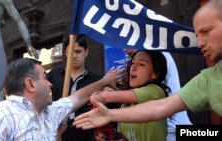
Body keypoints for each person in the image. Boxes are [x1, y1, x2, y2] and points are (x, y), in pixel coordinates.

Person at [73, 0, 222, 131]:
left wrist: (105, 94)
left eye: (206, 32)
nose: (200, 43)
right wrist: (110, 115)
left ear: (155, 72)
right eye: (197, 36)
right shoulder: (207, 79)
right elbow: (160, 107)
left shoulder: (155, 85)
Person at [0, 58, 122, 141]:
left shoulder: (51, 112)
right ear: (30, 84)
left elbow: (78, 96)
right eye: (44, 77)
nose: (50, 84)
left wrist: (104, 82)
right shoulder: (1, 115)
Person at [90, 50, 169, 141]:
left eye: (141, 64)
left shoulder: (156, 91)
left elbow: (104, 97)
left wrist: (102, 93)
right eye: (132, 62)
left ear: (154, 74)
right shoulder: (125, 105)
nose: (133, 68)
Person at [47, 35, 102, 141]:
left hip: (87, 134)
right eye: (70, 52)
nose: (73, 55)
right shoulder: (54, 75)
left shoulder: (96, 81)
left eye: (78, 51)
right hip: (58, 133)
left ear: (86, 52)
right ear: (65, 54)